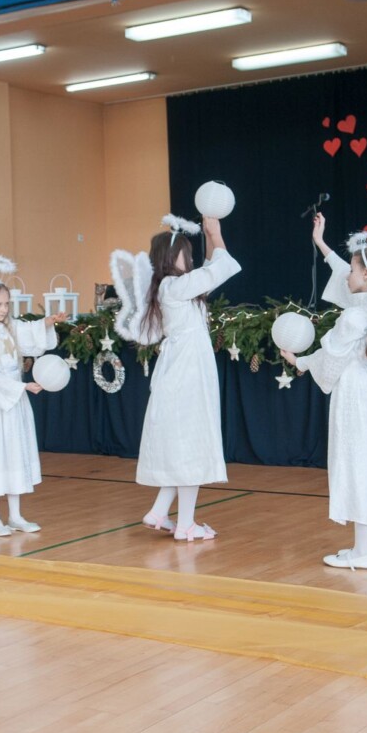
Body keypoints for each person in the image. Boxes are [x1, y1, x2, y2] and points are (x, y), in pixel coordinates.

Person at [281, 214, 367, 569]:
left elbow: (332, 358)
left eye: (354, 270)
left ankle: (360, 552)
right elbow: (347, 278)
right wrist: (322, 244)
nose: (347, 275)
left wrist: (300, 361)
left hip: (355, 398)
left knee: (357, 467)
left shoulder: (355, 318)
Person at [124, 214, 241, 541]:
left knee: (186, 445)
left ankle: (161, 511)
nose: (189, 260)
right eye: (185, 254)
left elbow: (210, 270)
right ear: (171, 257)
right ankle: (184, 523)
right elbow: (218, 269)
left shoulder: (173, 287)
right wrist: (216, 235)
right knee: (191, 445)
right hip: (186, 373)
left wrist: (212, 238)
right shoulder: (174, 287)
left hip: (184, 370)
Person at [0, 255, 68, 536]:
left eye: (6, 304)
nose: (4, 309)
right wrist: (22, 387)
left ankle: (16, 515)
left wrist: (48, 321)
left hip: (14, 400)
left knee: (14, 454)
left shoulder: (9, 329)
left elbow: (30, 332)